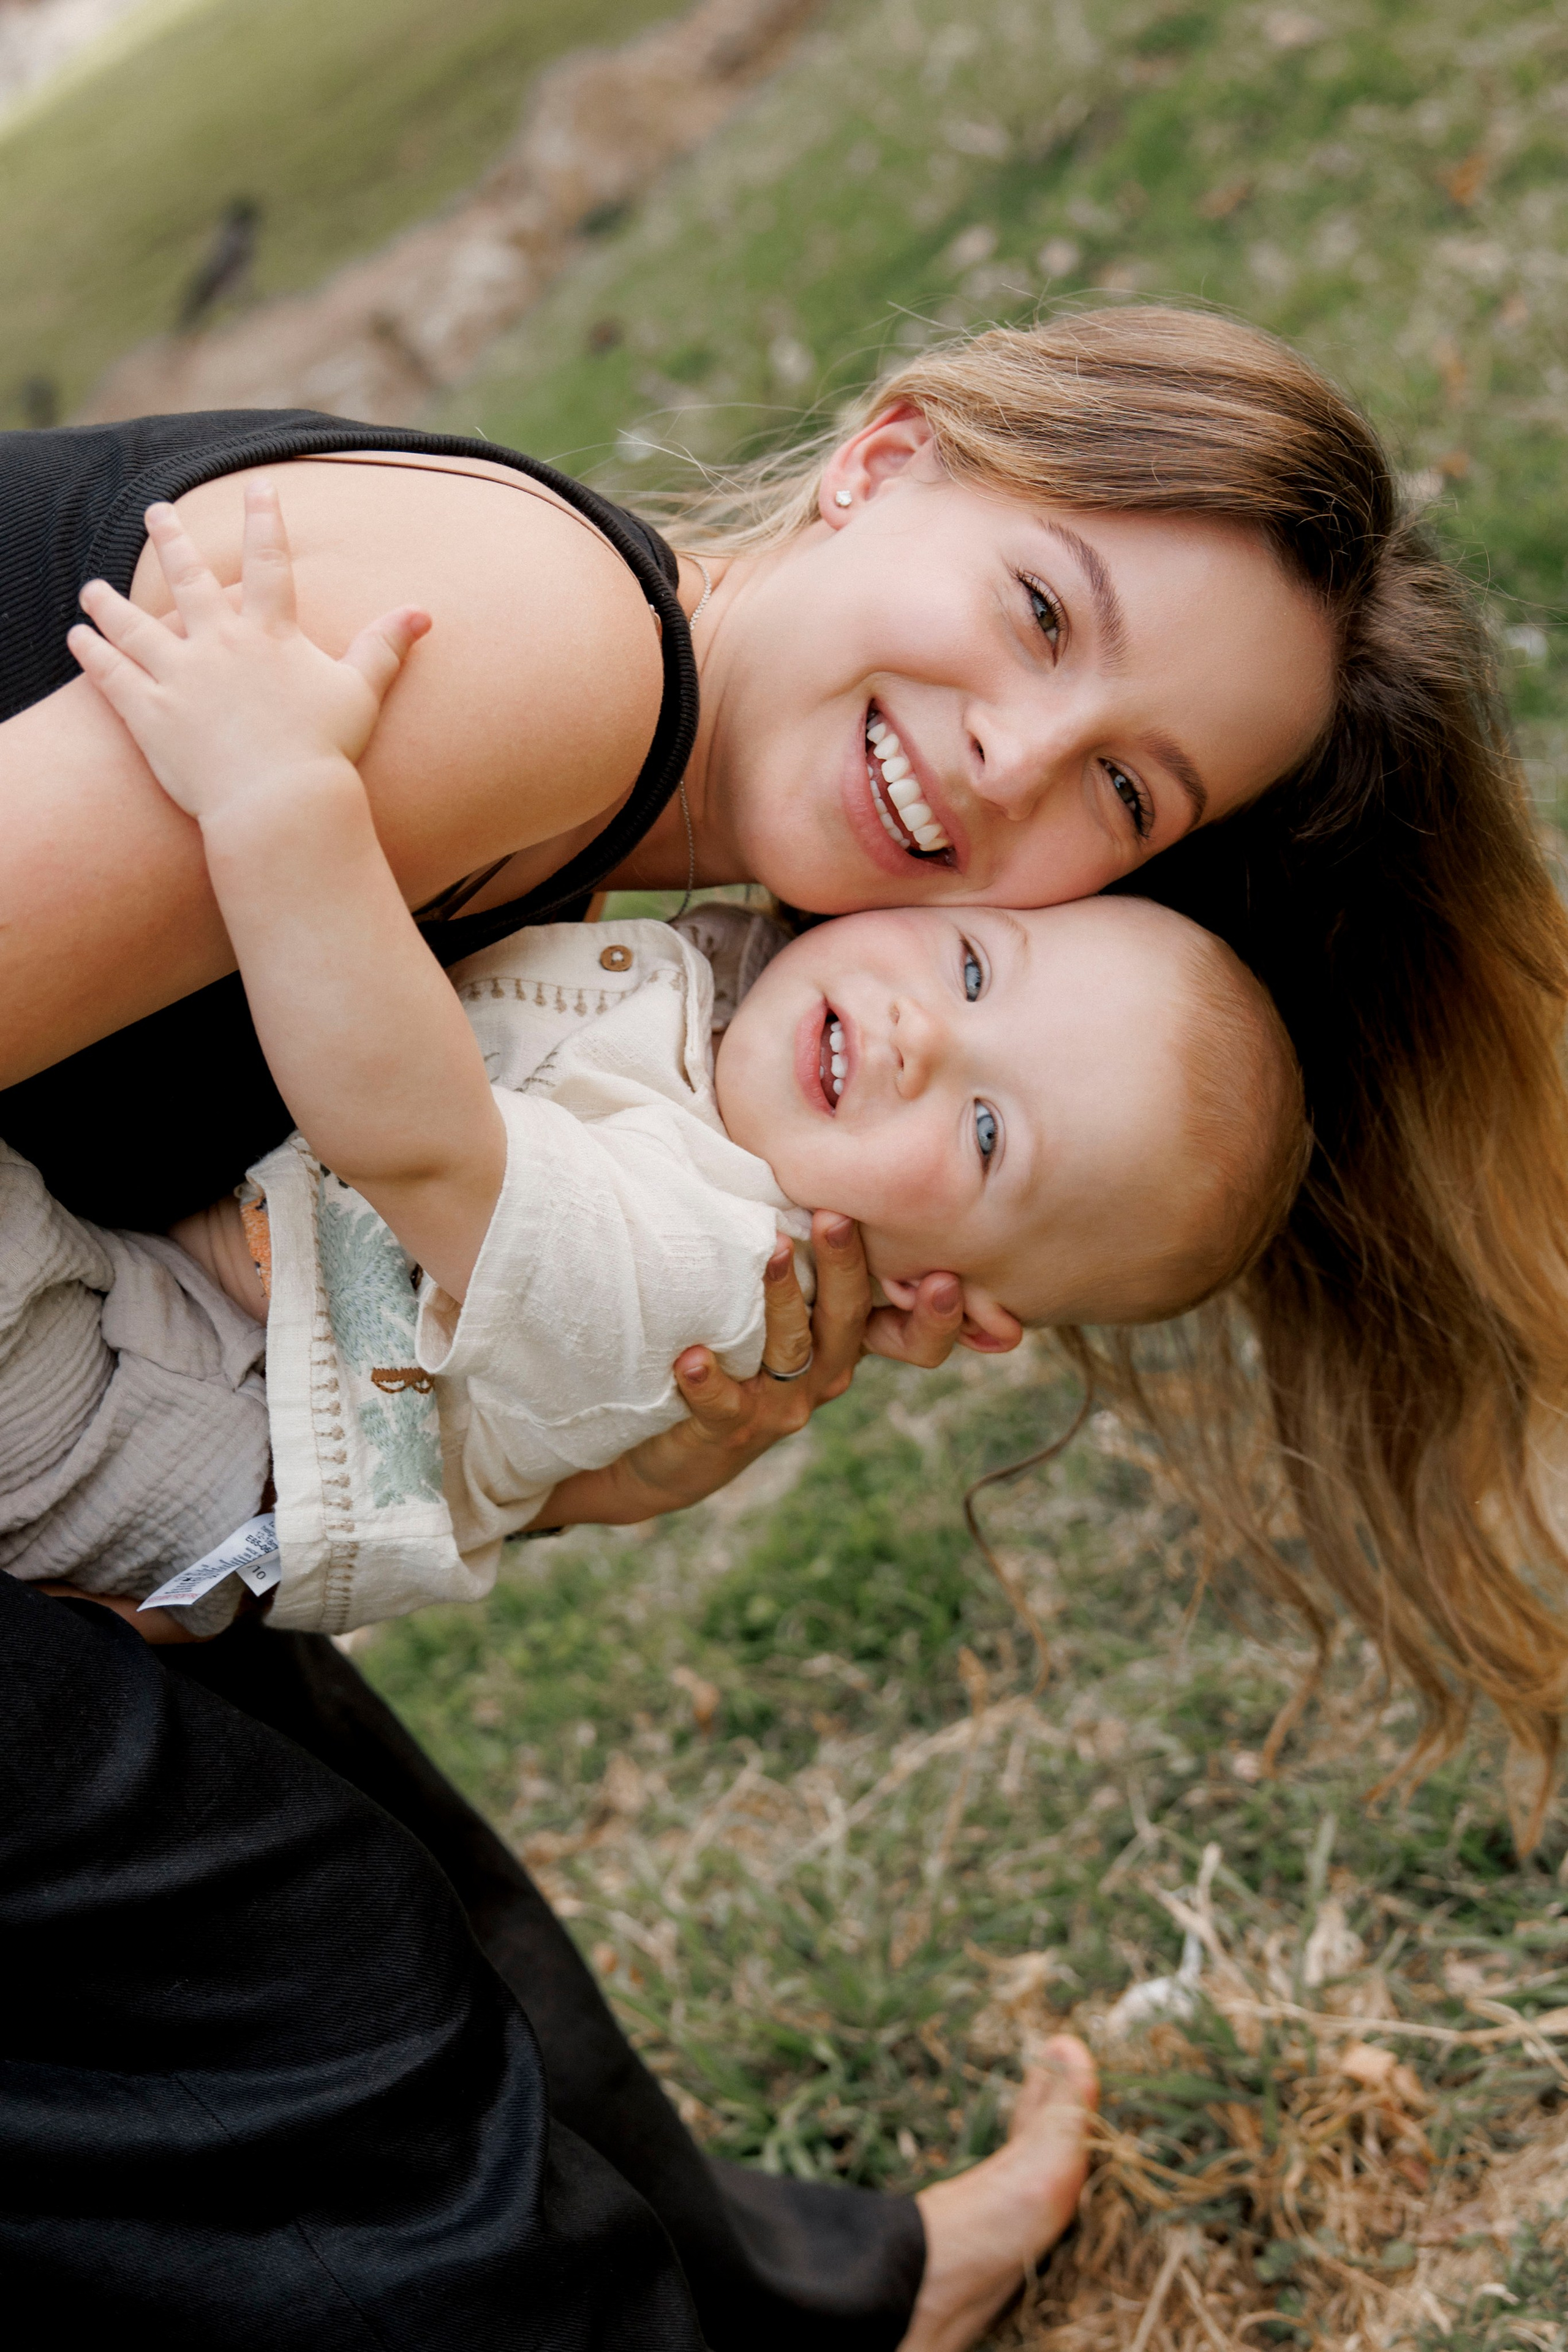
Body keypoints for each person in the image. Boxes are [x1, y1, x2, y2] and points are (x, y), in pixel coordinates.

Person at [2, 306, 1566, 2344]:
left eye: (1129, 787)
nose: (1013, 750)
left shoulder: (699, 921)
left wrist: (595, 1455)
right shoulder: (540, 656)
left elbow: (405, 1341)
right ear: (889, 455)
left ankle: (795, 2299)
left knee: (355, 1830)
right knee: (301, 1983)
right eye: (1038, 610)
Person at [9, 485, 1305, 1643]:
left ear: (935, 1300)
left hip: (154, 1419)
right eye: (973, 971)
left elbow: (417, 1137)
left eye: (984, 1133)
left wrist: (277, 795)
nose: (925, 1038)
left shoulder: (714, 1273)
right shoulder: (762, 1007)